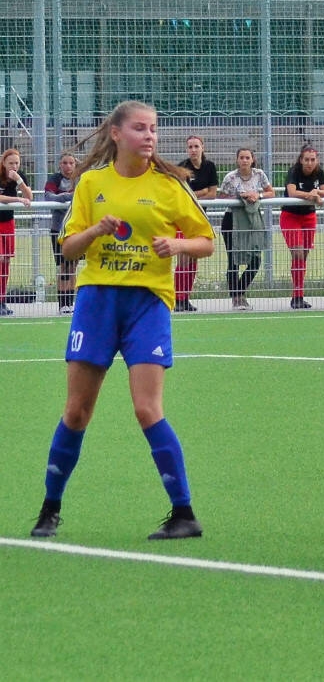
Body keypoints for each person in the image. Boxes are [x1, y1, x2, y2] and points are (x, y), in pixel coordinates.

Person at [29, 100, 214, 541]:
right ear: (116, 134)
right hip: (97, 302)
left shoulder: (169, 185)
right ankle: (50, 509)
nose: (149, 136)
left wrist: (177, 245)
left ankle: (184, 513)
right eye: (140, 128)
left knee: (147, 408)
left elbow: (206, 241)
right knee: (77, 411)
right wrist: (95, 231)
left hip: (147, 305)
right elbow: (68, 248)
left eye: (153, 129)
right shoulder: (92, 183)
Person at [219, 148, 274, 310]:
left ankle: (241, 290)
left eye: (247, 157)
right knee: (233, 259)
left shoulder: (259, 174)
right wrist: (240, 196)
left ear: (252, 159)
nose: (244, 160)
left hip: (251, 220)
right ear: (237, 160)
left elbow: (271, 192)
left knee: (256, 259)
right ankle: (236, 298)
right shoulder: (230, 177)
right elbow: (221, 197)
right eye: (241, 157)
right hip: (232, 220)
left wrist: (258, 195)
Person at [281, 143, 324, 309]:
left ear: (317, 160)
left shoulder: (319, 172)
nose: (309, 163)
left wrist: (317, 193)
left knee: (303, 256)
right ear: (301, 159)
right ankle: (297, 296)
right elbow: (292, 192)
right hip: (291, 216)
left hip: (309, 217)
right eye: (306, 159)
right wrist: (311, 195)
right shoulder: (294, 171)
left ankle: (298, 295)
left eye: (312, 160)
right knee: (298, 253)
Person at [174, 135, 218, 312]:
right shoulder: (182, 167)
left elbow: (212, 194)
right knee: (183, 259)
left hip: (199, 219)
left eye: (196, 146)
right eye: (190, 147)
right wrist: (202, 192)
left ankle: (186, 298)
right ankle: (178, 298)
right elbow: (182, 196)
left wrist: (198, 194)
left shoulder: (210, 166)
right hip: (183, 219)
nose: (193, 150)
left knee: (193, 259)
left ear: (202, 148)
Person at [44, 153, 79, 314]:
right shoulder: (55, 179)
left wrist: (67, 198)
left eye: (71, 163)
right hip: (58, 229)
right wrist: (67, 197)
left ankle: (71, 302)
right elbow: (48, 196)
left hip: (76, 228)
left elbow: (83, 196)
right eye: (64, 163)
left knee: (73, 266)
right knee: (63, 266)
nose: (68, 166)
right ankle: (62, 303)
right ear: (60, 164)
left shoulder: (80, 178)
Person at [0, 147, 33, 317]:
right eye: (11, 163)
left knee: (6, 262)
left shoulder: (19, 176)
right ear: (3, 163)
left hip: (8, 222)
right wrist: (17, 199)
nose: (14, 166)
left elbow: (29, 196)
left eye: (17, 163)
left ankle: (2, 300)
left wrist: (19, 180)